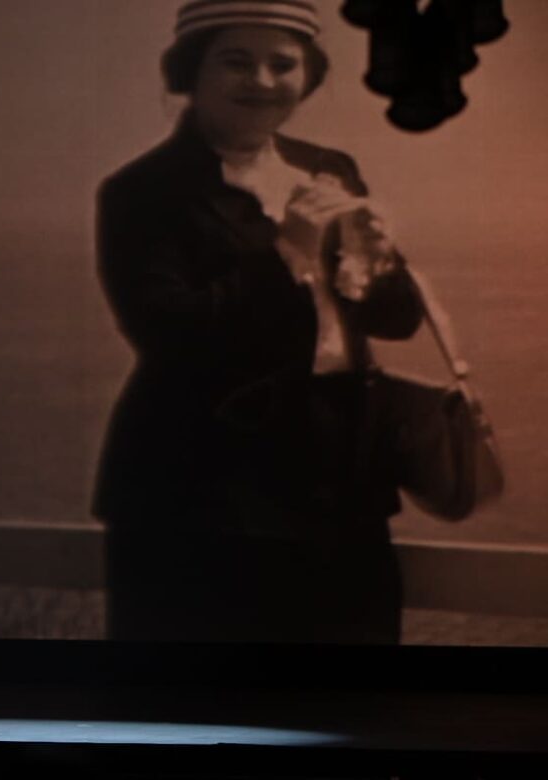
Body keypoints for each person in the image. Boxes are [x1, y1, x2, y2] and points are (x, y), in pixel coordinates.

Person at [93, 0, 423, 643]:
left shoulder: (329, 167)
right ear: (190, 71)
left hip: (340, 490)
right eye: (236, 62)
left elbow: (398, 321)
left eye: (284, 64)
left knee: (354, 708)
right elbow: (166, 332)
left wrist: (379, 263)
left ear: (309, 76)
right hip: (199, 499)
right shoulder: (142, 191)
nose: (264, 82)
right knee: (196, 707)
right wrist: (289, 252)